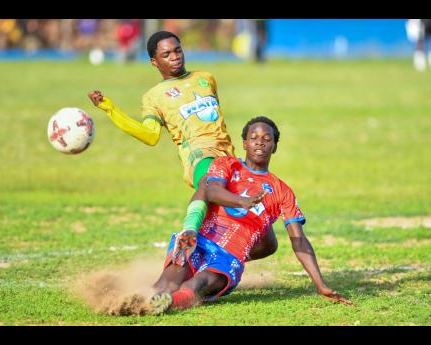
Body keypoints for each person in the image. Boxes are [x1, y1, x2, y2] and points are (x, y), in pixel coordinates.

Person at [88, 31, 278, 267]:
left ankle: (212, 261)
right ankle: (187, 233)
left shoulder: (206, 78)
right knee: (209, 183)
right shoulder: (154, 97)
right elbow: (150, 136)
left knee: (268, 243)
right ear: (154, 62)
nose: (175, 57)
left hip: (230, 159)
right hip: (199, 156)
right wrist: (110, 109)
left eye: (177, 50)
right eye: (166, 54)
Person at [149, 116, 354, 315]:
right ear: (245, 143)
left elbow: (299, 241)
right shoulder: (227, 165)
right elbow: (211, 191)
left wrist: (321, 285)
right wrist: (243, 202)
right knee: (169, 280)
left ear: (274, 146)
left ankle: (168, 303)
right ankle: (137, 302)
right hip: (197, 241)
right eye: (254, 138)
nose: (260, 142)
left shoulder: (282, 191)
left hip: (228, 258)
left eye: (267, 139)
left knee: (199, 283)